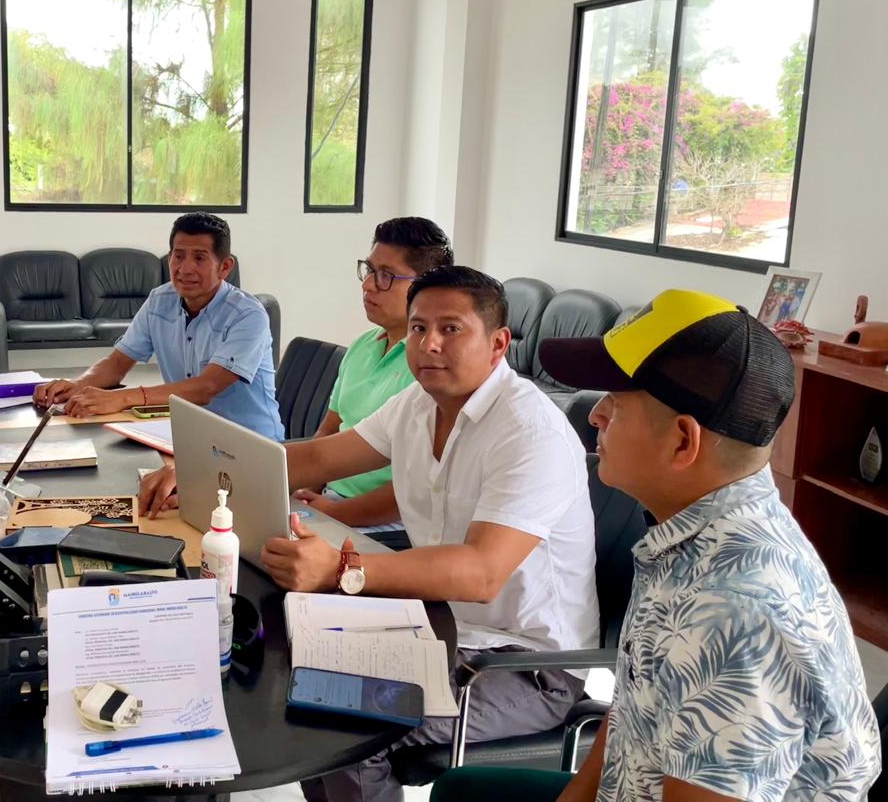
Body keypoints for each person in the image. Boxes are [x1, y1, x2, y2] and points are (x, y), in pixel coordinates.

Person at [461, 289, 881, 802]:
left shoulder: (733, 613)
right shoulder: (690, 535)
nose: (596, 415)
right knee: (460, 789)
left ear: (683, 441)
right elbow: (633, 708)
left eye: (616, 402)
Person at [250, 266, 600, 802]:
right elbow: (319, 457)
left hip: (521, 666)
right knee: (300, 687)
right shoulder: (419, 403)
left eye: (450, 329)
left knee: (348, 728)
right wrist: (210, 463)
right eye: (418, 328)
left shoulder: (530, 432)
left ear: (498, 343)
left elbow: (481, 573)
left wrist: (343, 571)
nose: (428, 343)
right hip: (436, 629)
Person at [139, 216, 453, 523]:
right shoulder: (362, 347)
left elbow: (416, 491)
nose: (369, 284)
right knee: (191, 519)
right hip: (330, 503)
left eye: (386, 276)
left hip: (384, 526)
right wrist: (211, 478)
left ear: (426, 287)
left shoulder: (431, 371)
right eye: (369, 270)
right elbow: (325, 439)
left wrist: (333, 513)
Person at [34, 212, 284, 440]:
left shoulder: (248, 315)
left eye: (199, 258)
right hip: (190, 436)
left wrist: (122, 398)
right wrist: (77, 385)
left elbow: (207, 387)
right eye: (178, 256)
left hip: (251, 443)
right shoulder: (160, 300)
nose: (185, 268)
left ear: (225, 267)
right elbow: (117, 363)